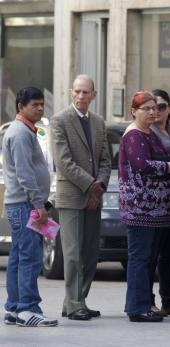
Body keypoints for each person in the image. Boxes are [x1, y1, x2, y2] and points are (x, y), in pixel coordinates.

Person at [50, 75, 111, 321]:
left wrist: (101, 185)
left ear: (93, 95)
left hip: (94, 195)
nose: (81, 96)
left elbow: (106, 159)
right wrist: (90, 185)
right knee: (73, 253)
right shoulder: (60, 120)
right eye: (77, 91)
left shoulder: (98, 122)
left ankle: (76, 300)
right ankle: (75, 304)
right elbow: (63, 162)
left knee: (89, 253)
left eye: (86, 92)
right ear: (70, 92)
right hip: (72, 195)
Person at [119, 90, 170, 322]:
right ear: (134, 111)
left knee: (149, 258)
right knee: (139, 258)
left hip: (158, 209)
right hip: (139, 209)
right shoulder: (134, 135)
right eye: (146, 108)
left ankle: (144, 303)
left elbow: (169, 157)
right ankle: (136, 308)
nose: (152, 112)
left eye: (154, 108)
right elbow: (142, 165)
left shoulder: (152, 134)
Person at [3, 87, 58, 327]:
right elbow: (25, 174)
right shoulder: (19, 133)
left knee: (19, 256)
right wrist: (39, 204)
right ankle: (27, 308)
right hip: (25, 205)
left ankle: (14, 307)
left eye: (42, 104)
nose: (39, 108)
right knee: (30, 257)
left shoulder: (25, 130)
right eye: (34, 104)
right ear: (20, 106)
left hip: (22, 204)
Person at [148, 89, 170, 316]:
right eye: (153, 107)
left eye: (162, 107)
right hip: (153, 201)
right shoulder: (145, 133)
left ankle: (168, 300)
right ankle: (147, 300)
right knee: (150, 254)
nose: (157, 111)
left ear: (169, 109)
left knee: (169, 253)